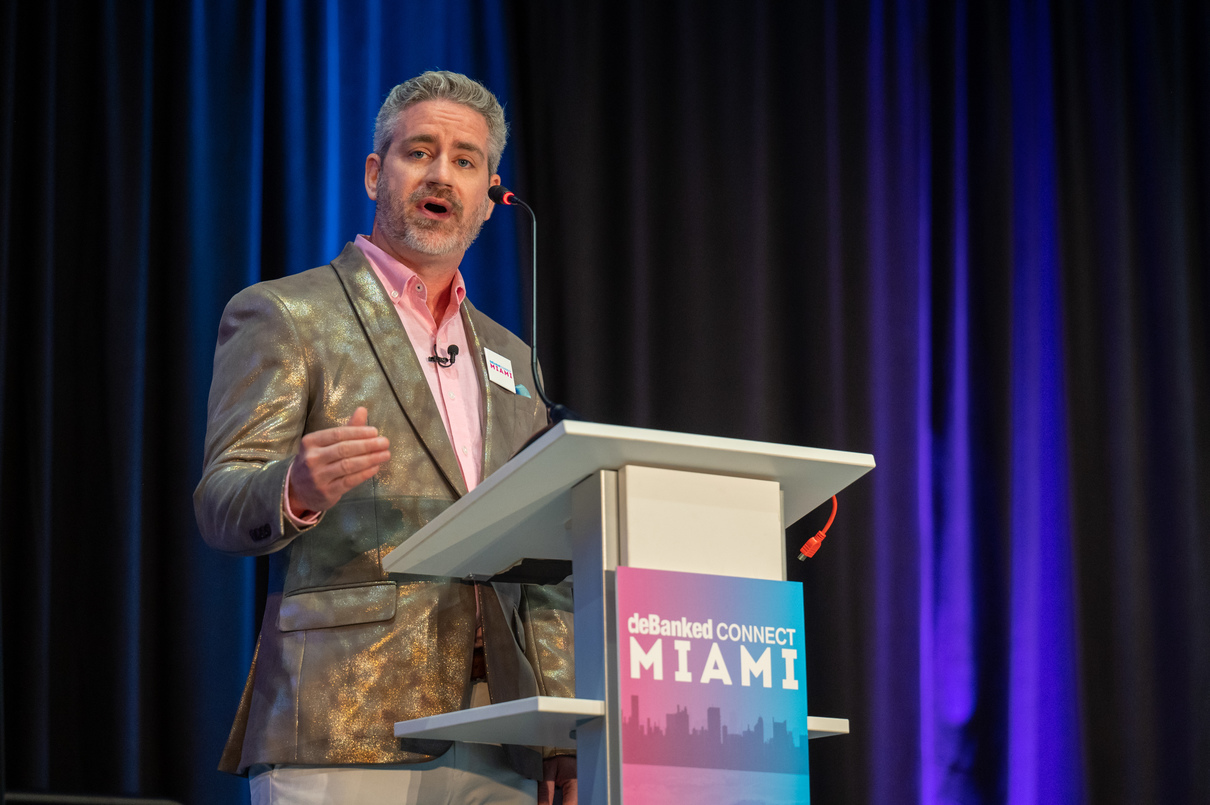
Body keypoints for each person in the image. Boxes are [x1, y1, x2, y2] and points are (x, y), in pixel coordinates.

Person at [195, 70, 576, 805]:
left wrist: (559, 727)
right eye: (419, 152)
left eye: (465, 161)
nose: (441, 175)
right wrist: (293, 488)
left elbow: (541, 567)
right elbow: (220, 502)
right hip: (342, 716)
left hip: (500, 731)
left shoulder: (513, 357)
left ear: (489, 196)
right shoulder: (287, 314)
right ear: (376, 173)